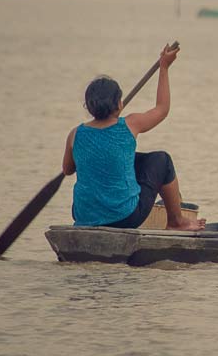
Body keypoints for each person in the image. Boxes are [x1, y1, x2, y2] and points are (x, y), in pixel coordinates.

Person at [61, 44, 205, 231]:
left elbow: (67, 170)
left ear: (89, 107)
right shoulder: (129, 125)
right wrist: (164, 68)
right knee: (162, 160)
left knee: (134, 158)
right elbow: (162, 109)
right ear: (119, 104)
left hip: (84, 216)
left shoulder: (75, 135)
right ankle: (176, 221)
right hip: (125, 217)